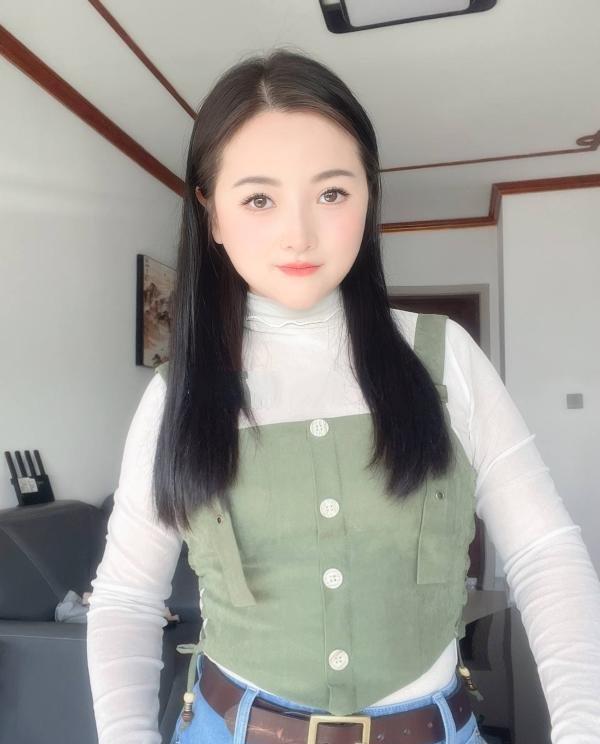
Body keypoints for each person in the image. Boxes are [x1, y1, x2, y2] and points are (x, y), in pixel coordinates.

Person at [86, 48, 600, 744]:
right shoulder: (176, 394)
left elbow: (545, 553)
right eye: (259, 199)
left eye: (331, 193)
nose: (298, 234)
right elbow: (126, 598)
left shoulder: (446, 357)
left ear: (368, 196)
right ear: (212, 214)